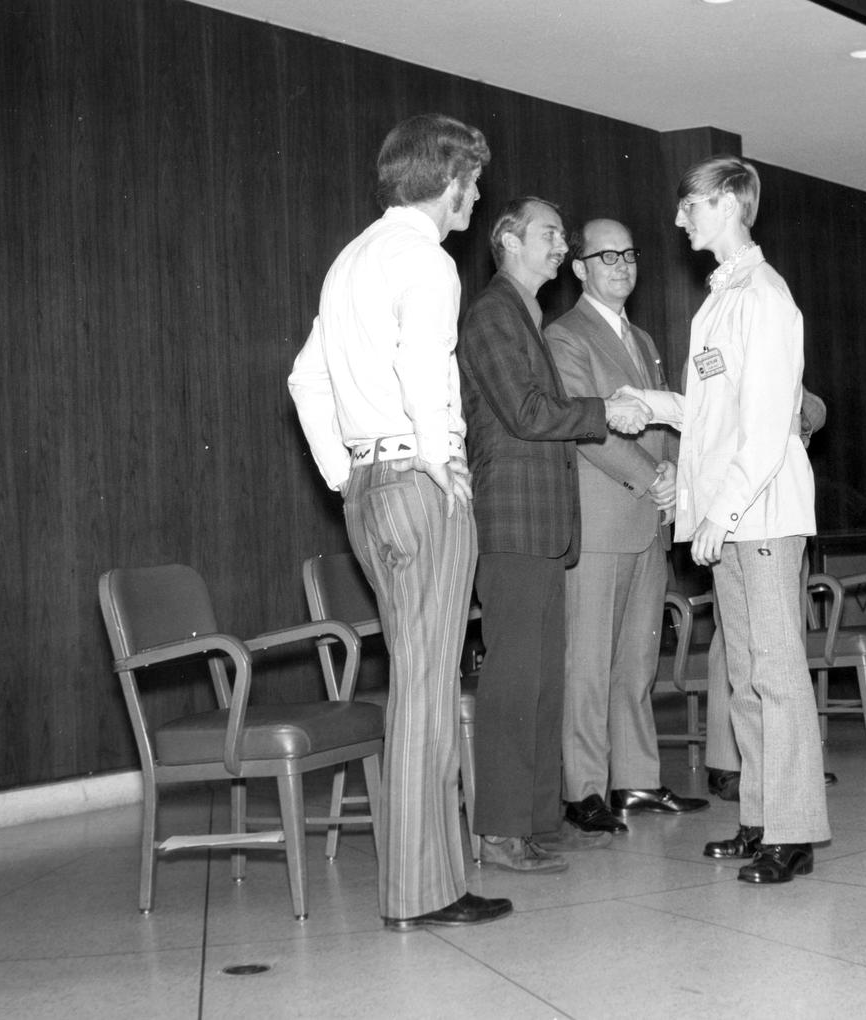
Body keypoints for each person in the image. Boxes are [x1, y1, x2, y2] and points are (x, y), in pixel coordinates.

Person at [287, 114, 511, 929]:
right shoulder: (426, 260)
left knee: (415, 679)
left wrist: (346, 471)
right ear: (448, 179)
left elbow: (305, 379)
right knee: (427, 684)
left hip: (369, 490)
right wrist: (439, 454)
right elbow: (424, 367)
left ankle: (430, 882)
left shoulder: (350, 261)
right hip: (420, 489)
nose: (477, 195)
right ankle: (423, 892)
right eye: (473, 181)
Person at [618, 156, 831, 884]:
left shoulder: (766, 299)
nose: (681, 220)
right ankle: (759, 818)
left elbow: (769, 426)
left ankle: (794, 829)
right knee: (744, 677)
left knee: (775, 673)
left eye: (692, 206)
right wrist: (653, 406)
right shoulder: (720, 300)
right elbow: (713, 415)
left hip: (763, 515)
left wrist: (723, 509)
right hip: (735, 516)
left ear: (733, 204)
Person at [457, 198, 652, 873]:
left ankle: (539, 822)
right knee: (514, 681)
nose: (557, 244)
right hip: (512, 521)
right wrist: (607, 412)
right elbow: (526, 411)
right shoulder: (491, 313)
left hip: (542, 524)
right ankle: (501, 831)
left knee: (543, 682)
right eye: (547, 235)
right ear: (508, 239)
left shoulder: (526, 316)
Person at [544, 218, 709, 834]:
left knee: (637, 662)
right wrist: (652, 476)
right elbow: (589, 426)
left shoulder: (641, 338)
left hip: (648, 517)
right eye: (605, 255)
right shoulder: (563, 337)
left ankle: (635, 780)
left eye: (629, 253)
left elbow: (661, 419)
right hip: (604, 517)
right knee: (587, 663)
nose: (621, 264)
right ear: (579, 267)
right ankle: (583, 790)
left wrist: (674, 477)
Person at [705, 385, 832, 802]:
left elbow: (816, 407)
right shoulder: (712, 339)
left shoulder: (770, 328)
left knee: (777, 654)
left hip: (778, 507)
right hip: (735, 508)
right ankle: (730, 766)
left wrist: (792, 413)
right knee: (738, 651)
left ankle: (786, 784)